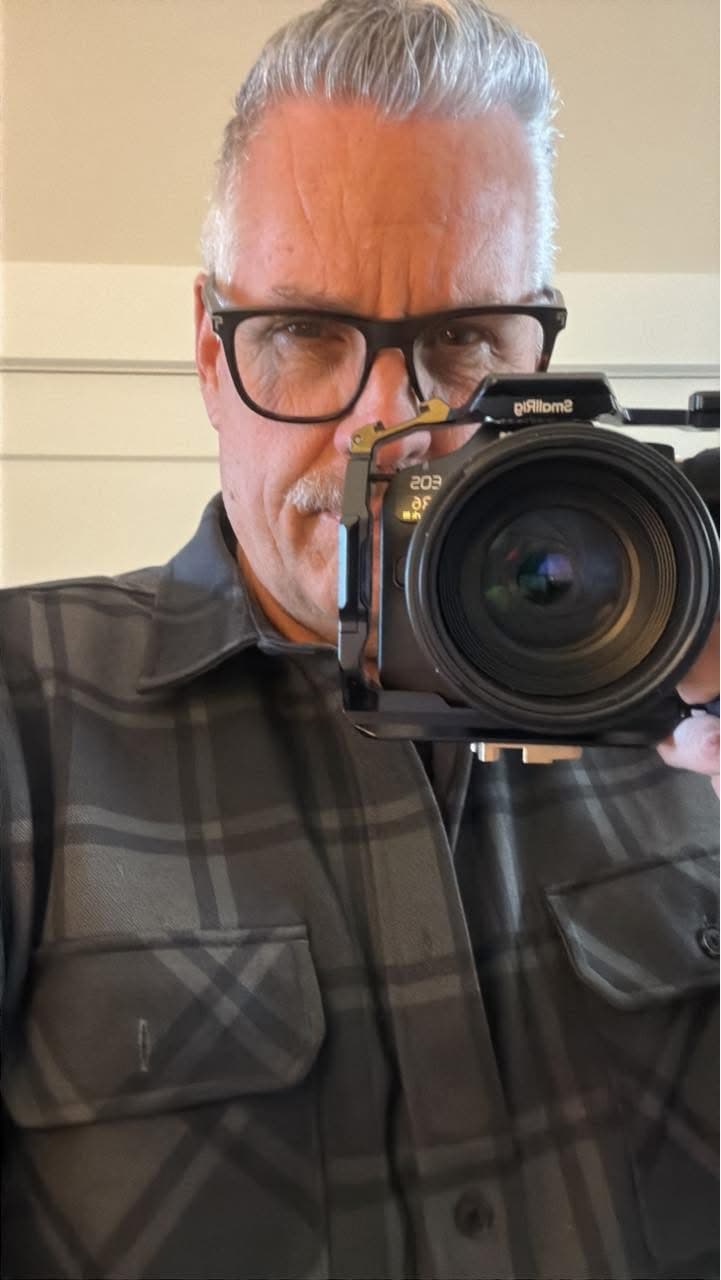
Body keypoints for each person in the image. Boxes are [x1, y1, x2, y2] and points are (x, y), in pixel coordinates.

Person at [1, 1, 718, 1277]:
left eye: (462, 338)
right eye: (304, 332)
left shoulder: (689, 697)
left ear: (538, 344)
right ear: (210, 358)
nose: (390, 424)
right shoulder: (22, 713)